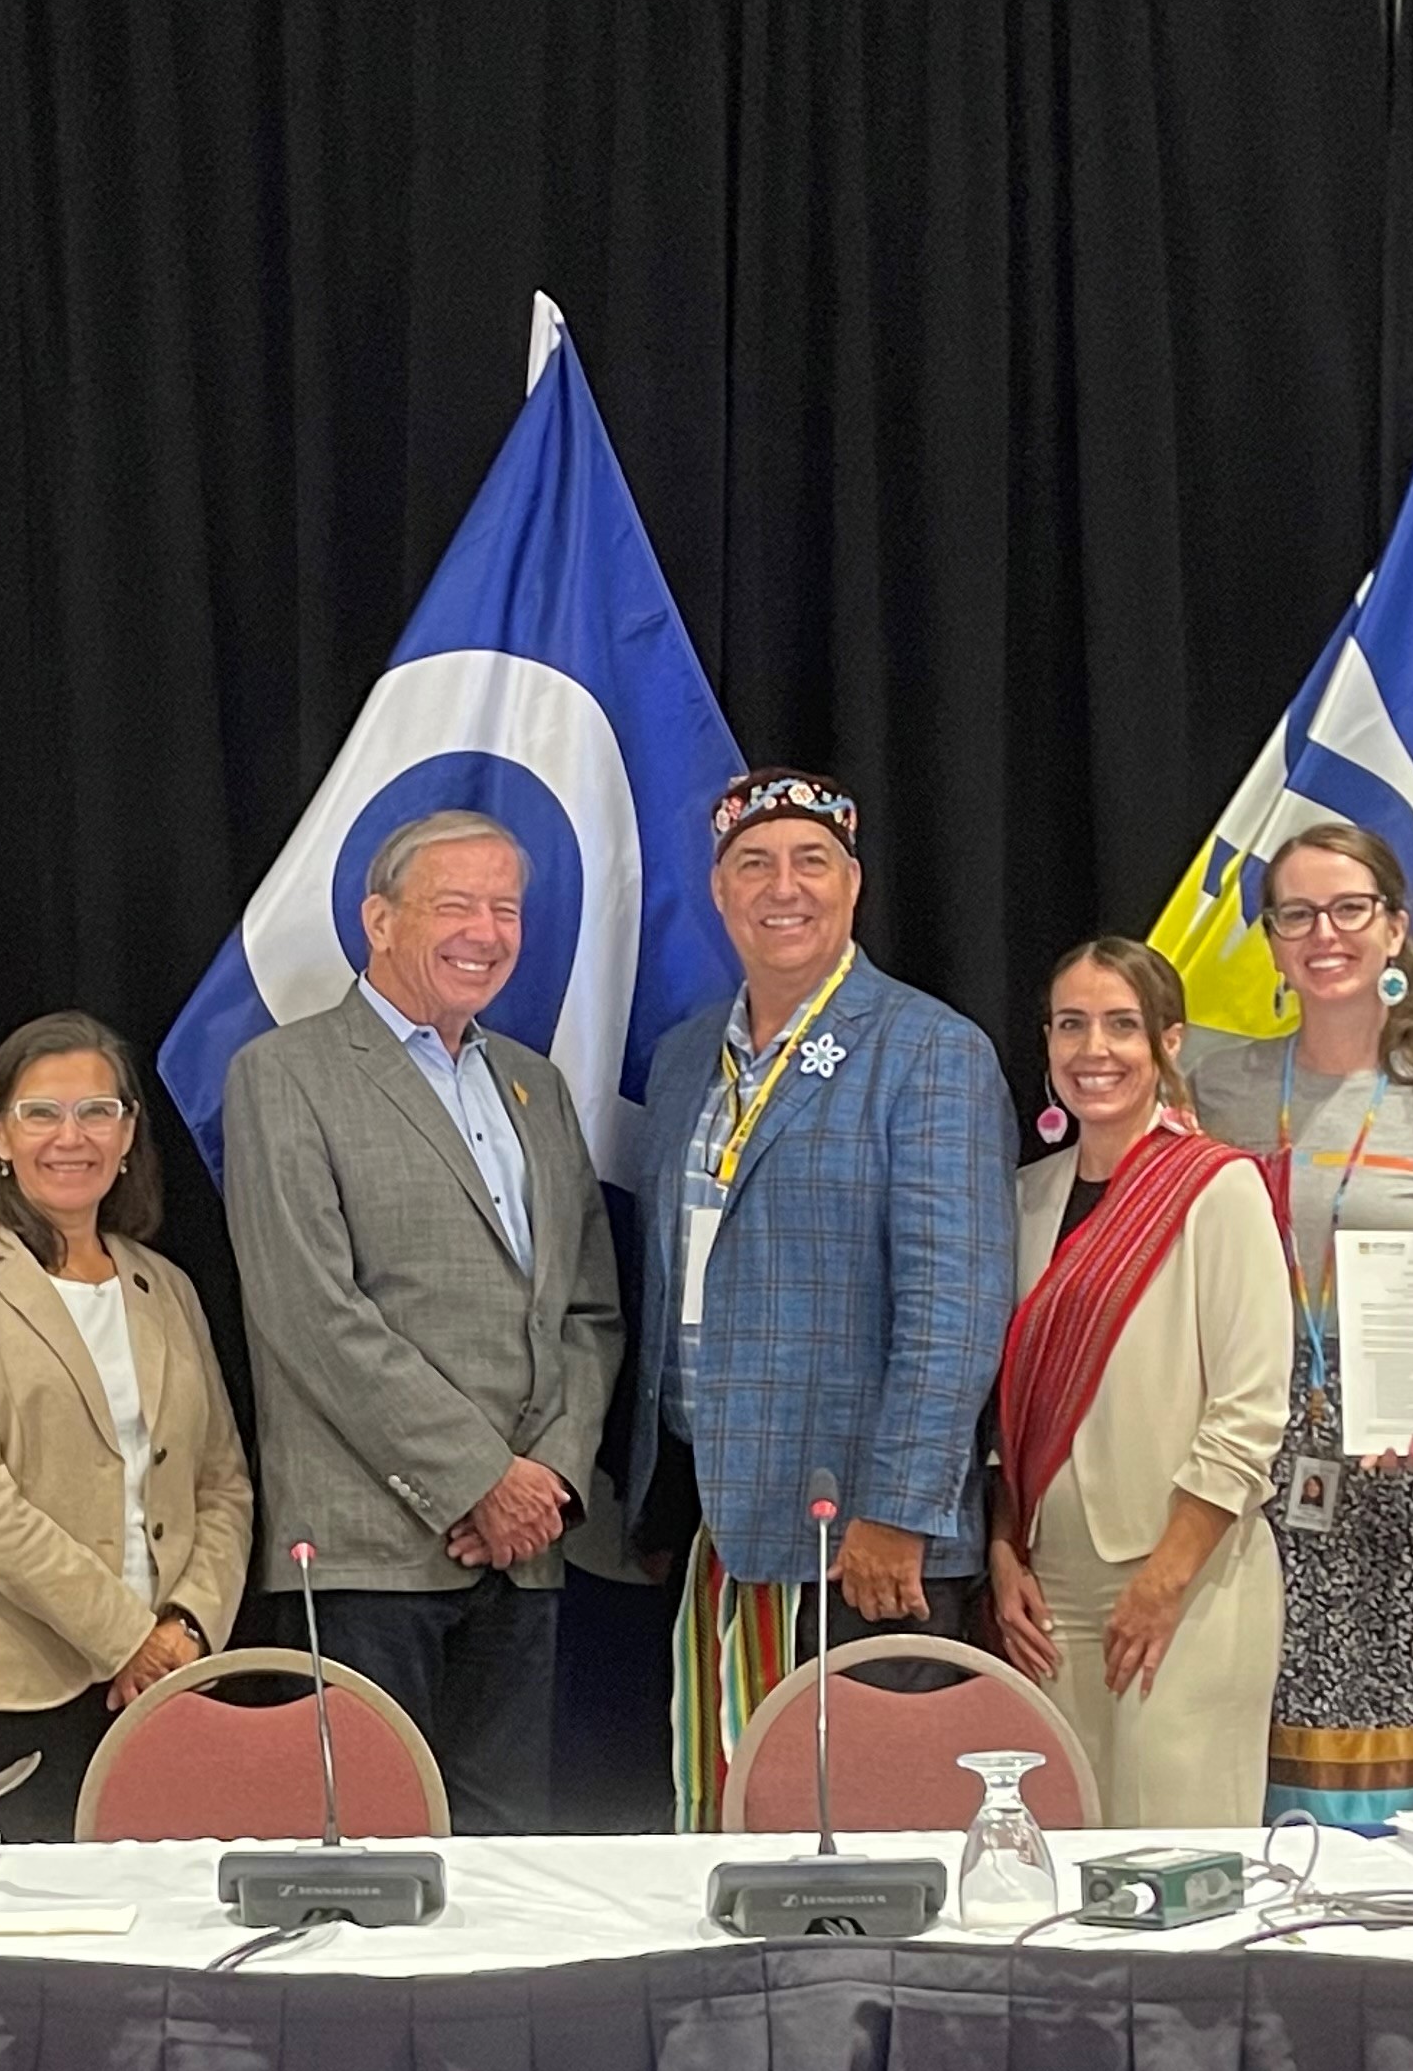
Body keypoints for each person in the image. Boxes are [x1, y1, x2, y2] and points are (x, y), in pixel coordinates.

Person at [619, 767, 1013, 1826]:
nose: (780, 887)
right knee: (728, 1820)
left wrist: (899, 1510)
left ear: (854, 886)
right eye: (753, 863)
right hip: (717, 1516)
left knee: (867, 1839)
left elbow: (955, 1304)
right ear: (717, 891)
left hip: (860, 1540)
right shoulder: (682, 1057)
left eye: (809, 862)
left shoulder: (929, 1050)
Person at [220, 811, 621, 1832]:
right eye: (455, 905)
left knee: (506, 1862)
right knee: (366, 1861)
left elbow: (586, 1309)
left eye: (505, 907)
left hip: (525, 1550)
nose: (485, 931)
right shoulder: (285, 1075)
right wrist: (479, 1480)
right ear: (378, 920)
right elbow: (309, 1312)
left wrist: (550, 1481)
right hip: (367, 1552)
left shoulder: (535, 1084)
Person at [1184, 822, 1413, 1826]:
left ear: (1395, 929)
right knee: (1263, 1724)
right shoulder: (1218, 1090)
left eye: (1349, 909)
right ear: (1271, 939)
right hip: (1259, 1469)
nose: (1323, 933)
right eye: (1295, 913)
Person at [0, 1015, 254, 1832]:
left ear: (127, 1135)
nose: (70, 1137)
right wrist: (127, 1636)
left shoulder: (168, 1287)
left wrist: (186, 1629)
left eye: (97, 1112)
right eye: (41, 1113)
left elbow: (221, 1483)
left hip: (162, 1686)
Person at [988, 940, 1293, 1830]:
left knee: (1175, 1862)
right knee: (1065, 1854)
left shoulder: (1219, 1188)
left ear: (1169, 1042)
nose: (1095, 1050)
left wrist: (1164, 1583)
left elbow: (1249, 1411)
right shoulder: (1026, 1197)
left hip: (1187, 1579)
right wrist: (1007, 1552)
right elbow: (1009, 1410)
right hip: (1051, 1587)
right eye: (1072, 1025)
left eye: (1122, 1026)